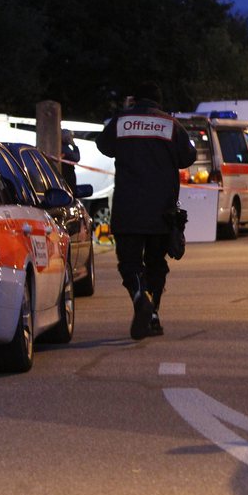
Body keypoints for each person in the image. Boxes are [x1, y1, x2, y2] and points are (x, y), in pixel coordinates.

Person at [97, 81, 196, 340]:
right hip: (161, 211)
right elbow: (188, 157)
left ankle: (140, 296)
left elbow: (103, 146)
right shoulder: (170, 125)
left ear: (134, 99)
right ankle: (153, 316)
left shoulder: (121, 122)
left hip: (128, 208)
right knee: (156, 263)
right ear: (158, 101)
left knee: (129, 262)